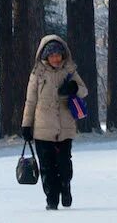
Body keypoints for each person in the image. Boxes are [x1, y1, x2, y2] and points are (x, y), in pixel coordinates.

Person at [22, 32, 86, 210]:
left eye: (58, 55)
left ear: (63, 55)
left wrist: (73, 88)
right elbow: (30, 101)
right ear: (45, 57)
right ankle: (51, 198)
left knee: (64, 165)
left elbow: (84, 90)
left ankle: (65, 187)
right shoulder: (37, 74)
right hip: (42, 130)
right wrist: (26, 125)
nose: (55, 59)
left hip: (65, 128)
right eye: (51, 55)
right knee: (47, 167)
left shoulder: (70, 71)